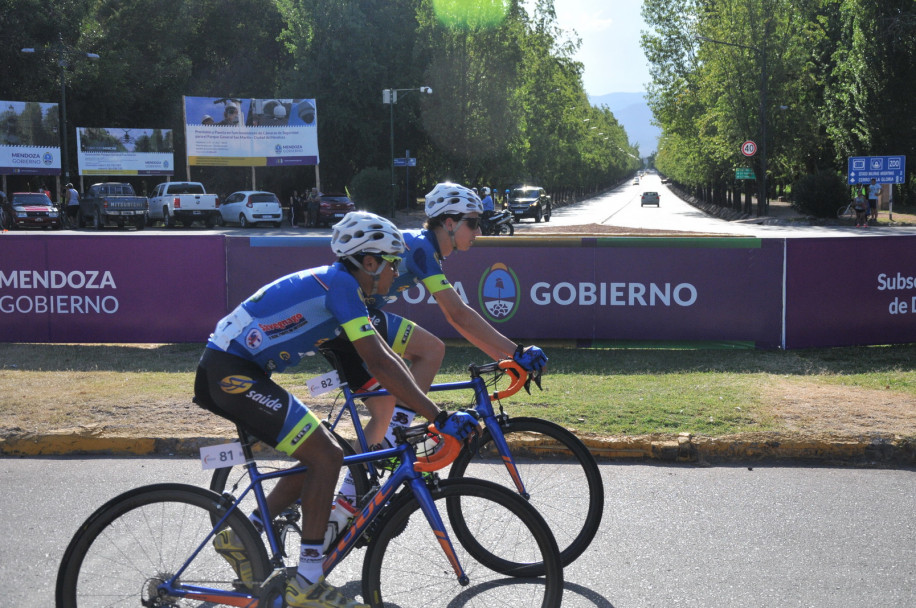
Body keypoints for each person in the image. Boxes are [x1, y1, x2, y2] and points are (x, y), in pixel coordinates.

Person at [194, 211, 479, 608]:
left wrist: (434, 411)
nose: (395, 273)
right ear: (369, 262)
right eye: (391, 264)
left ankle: (246, 531)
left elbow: (387, 360)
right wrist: (439, 416)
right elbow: (379, 363)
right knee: (327, 455)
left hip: (237, 366)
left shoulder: (343, 284)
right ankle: (307, 580)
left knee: (324, 452)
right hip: (230, 370)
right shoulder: (342, 286)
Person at [319, 182, 547, 506]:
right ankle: (396, 438)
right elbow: (457, 314)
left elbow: (461, 322)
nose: (479, 231)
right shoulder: (422, 247)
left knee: (382, 416)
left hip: (345, 323)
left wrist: (507, 359)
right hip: (347, 318)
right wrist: (516, 353)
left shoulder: (426, 249)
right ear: (450, 223)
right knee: (431, 350)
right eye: (473, 222)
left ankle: (346, 497)